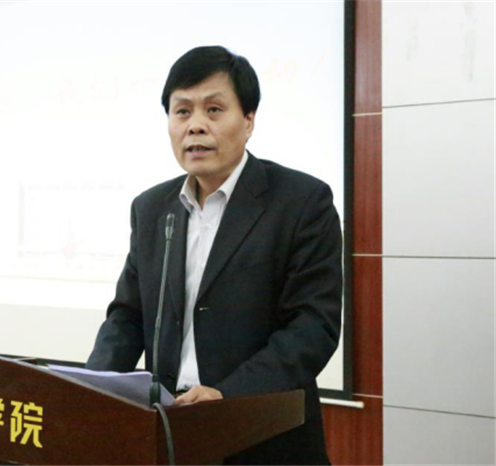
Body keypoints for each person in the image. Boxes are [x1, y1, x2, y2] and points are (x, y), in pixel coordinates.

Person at [86, 45, 342, 465]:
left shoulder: (301, 202)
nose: (195, 126)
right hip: (169, 433)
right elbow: (128, 317)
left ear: (248, 120)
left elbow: (312, 327)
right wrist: (92, 387)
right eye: (182, 111)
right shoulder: (151, 209)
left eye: (214, 110)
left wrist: (228, 395)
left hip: (261, 435)